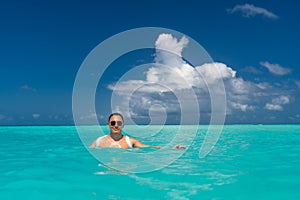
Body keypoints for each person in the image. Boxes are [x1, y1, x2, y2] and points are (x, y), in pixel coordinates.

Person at [89, 113, 186, 149]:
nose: (116, 126)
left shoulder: (130, 141)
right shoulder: (98, 142)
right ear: (108, 125)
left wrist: (171, 148)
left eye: (119, 123)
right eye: (113, 123)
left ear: (123, 125)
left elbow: (150, 147)